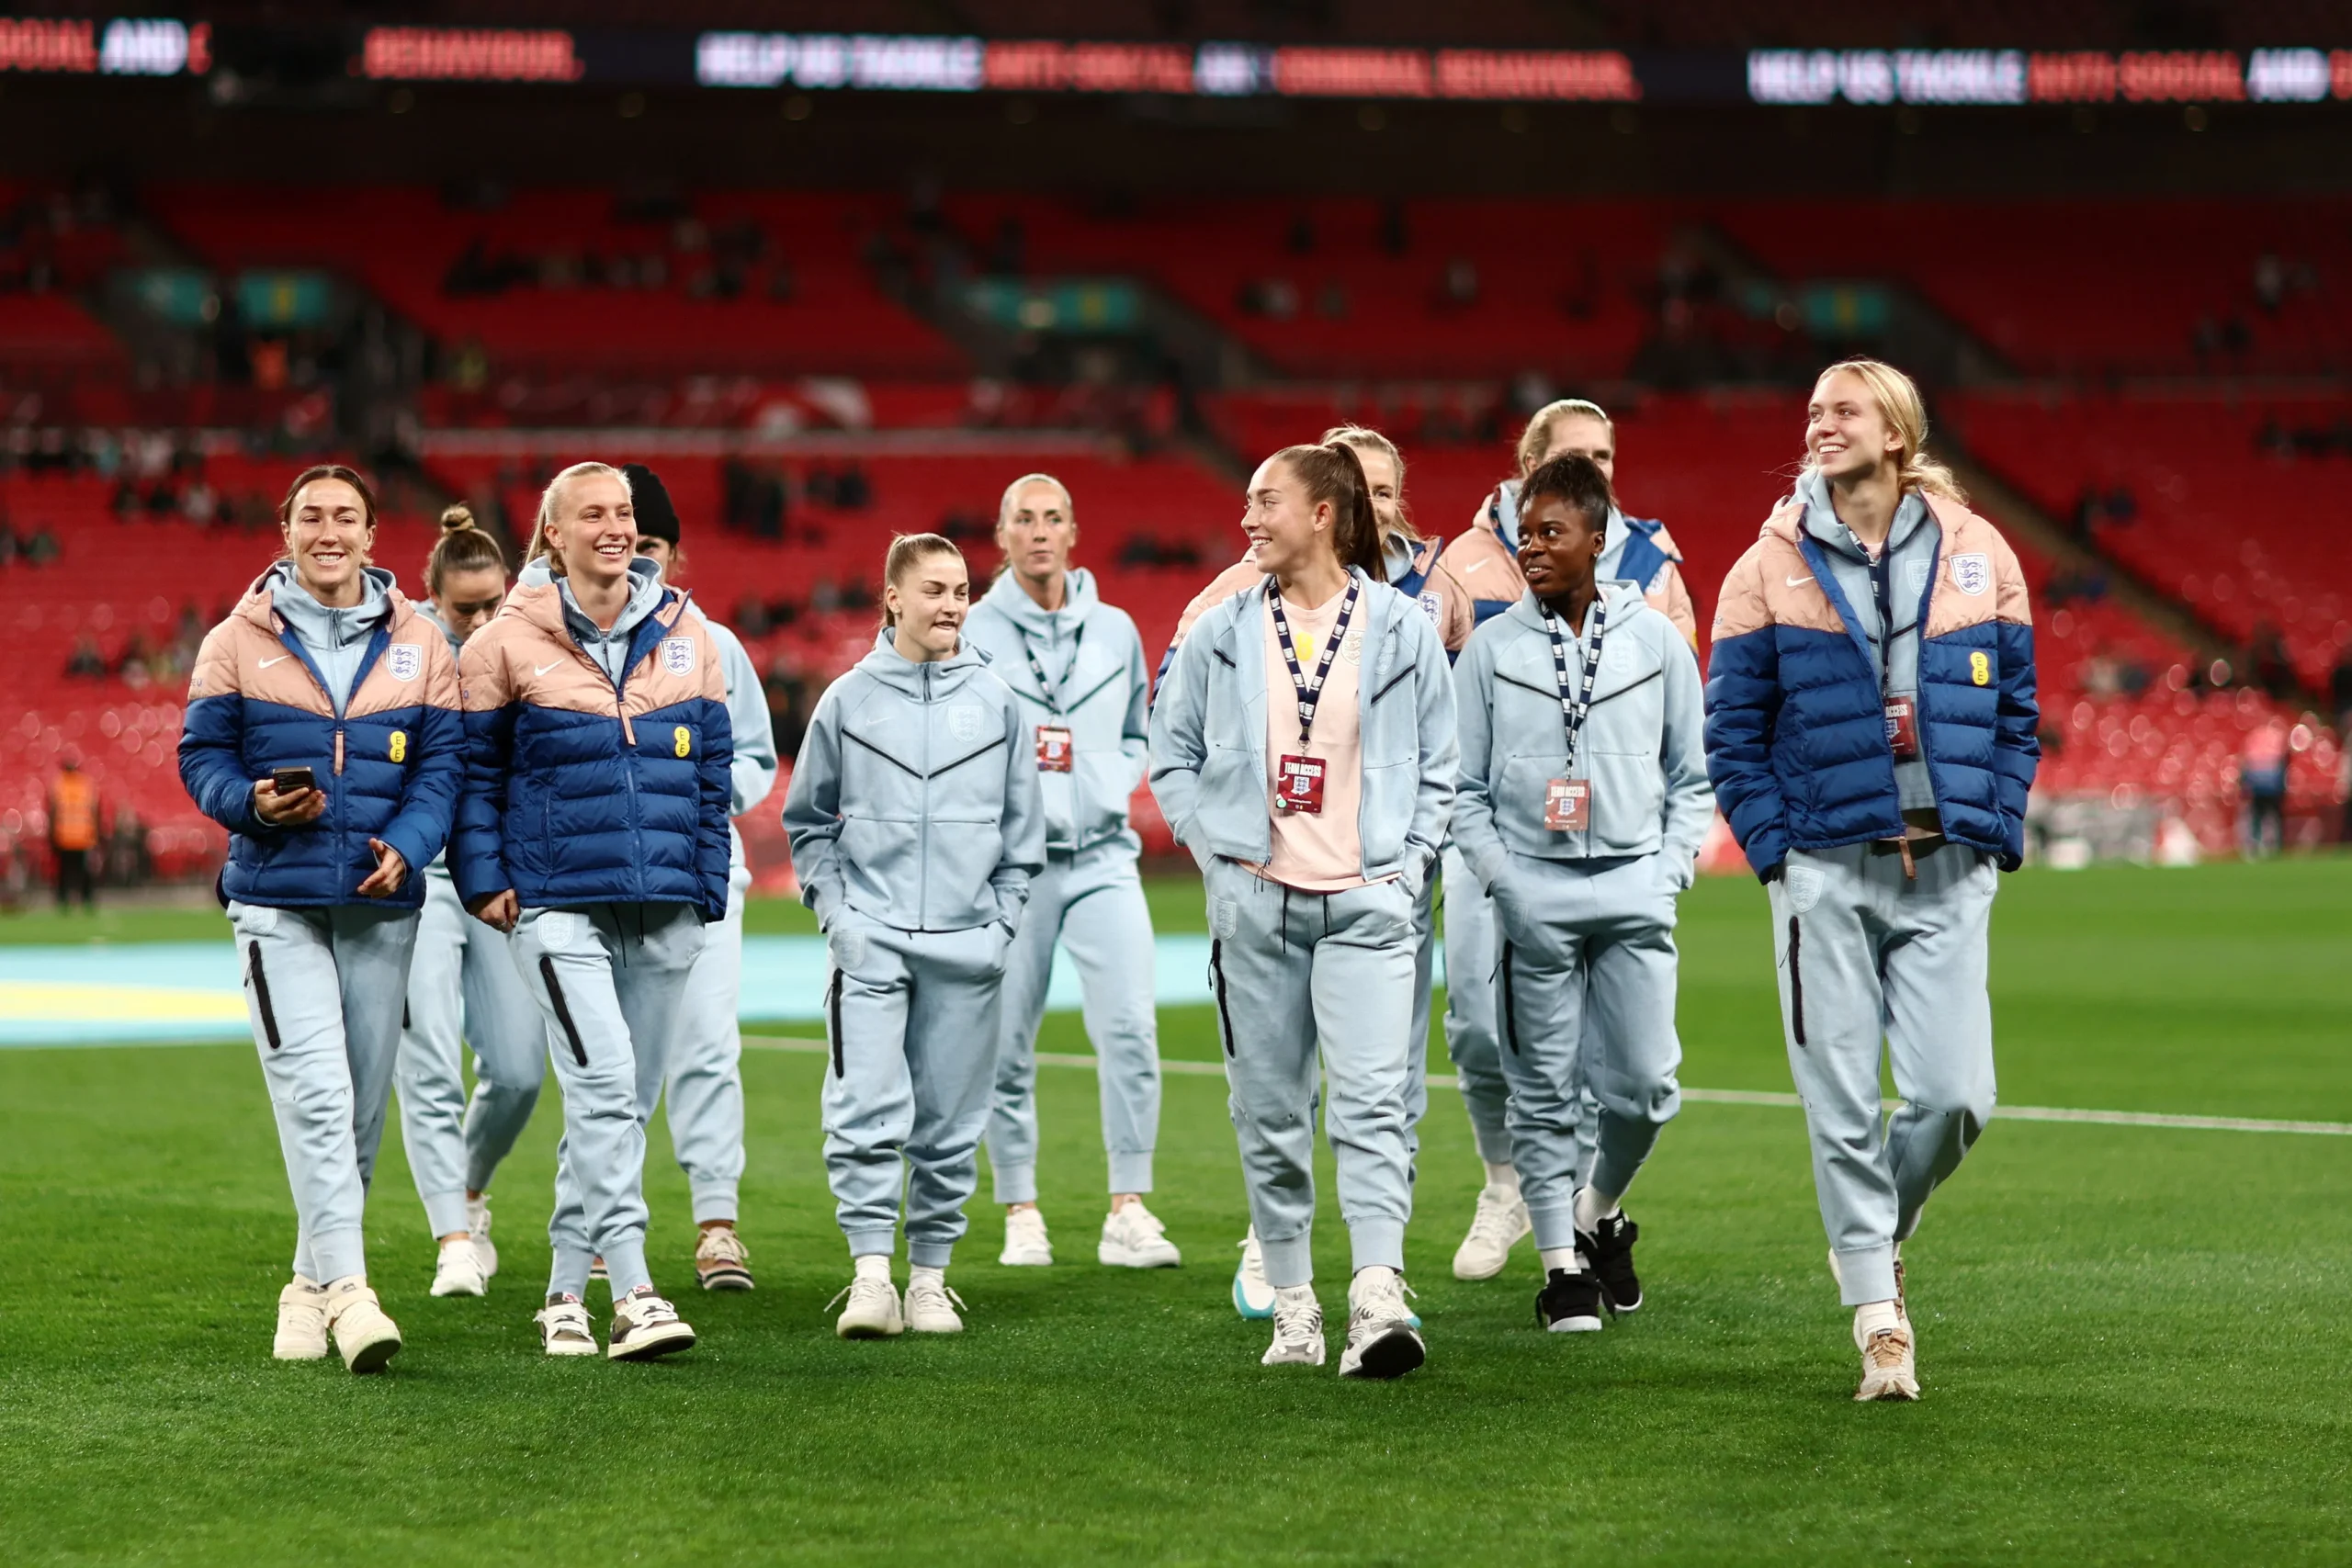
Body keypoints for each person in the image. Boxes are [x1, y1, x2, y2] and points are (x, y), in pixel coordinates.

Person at [1704, 358, 2038, 1401]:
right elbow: (1731, 734)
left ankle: (1874, 1234)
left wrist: (1998, 826)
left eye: (1841, 411)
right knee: (1839, 1103)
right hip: (1825, 871)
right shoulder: (1765, 565)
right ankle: (1877, 1314)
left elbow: (2020, 710)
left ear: (1896, 431)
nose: (1818, 426)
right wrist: (1776, 856)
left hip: (1947, 865)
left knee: (1954, 1098)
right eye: (1809, 412)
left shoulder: (1981, 552)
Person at [1149, 441, 1456, 1379]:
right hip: (1258, 906)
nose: (1248, 517)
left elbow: (1444, 767)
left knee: (1370, 1107)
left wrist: (1405, 869)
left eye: (1265, 500)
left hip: (1367, 903)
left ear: (1322, 514)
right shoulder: (1220, 629)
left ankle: (1374, 1295)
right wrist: (1221, 862)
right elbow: (1171, 757)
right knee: (1268, 1113)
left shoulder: (1401, 629)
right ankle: (1293, 1304)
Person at [178, 464, 463, 1373]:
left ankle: (307, 1286)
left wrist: (411, 846)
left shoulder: (422, 641)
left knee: (359, 1115)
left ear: (374, 534)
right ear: (288, 529)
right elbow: (201, 759)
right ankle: (353, 1294)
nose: (329, 530)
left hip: (382, 901)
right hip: (276, 899)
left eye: (346, 516)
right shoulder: (236, 638)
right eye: (313, 516)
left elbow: (443, 769)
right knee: (318, 1095)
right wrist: (255, 805)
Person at [453, 461, 732, 1361]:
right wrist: (486, 878)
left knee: (615, 1107)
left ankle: (563, 1294)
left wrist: (708, 888)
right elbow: (476, 776)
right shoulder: (502, 641)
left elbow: (712, 771)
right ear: (553, 537)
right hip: (557, 903)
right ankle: (637, 1294)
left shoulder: (690, 633)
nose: (614, 526)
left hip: (663, 908)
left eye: (624, 513)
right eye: (593, 515)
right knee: (608, 1086)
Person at [1435, 397, 1698, 1285]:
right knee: (1479, 1031)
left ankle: (1586, 1210)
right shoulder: (1464, 563)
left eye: (1608, 454)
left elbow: (1680, 712)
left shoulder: (1655, 566)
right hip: (1500, 845)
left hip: (1618, 853)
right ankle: (1506, 1184)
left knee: (1614, 1063)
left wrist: (1665, 865)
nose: (1602, 466)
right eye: (1580, 452)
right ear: (1528, 464)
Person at [785, 534, 1046, 1338]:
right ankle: (871, 1276)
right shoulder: (847, 699)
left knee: (952, 1122)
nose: (952, 605)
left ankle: (929, 1277)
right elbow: (806, 824)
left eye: (962, 590)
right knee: (863, 1110)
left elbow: (1022, 833)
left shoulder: (1000, 701)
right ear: (893, 597)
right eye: (934, 590)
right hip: (872, 942)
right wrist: (843, 920)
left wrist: (1001, 922)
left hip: (970, 944)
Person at [962, 474, 1175, 1270]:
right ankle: (1021, 1206)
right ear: (1003, 534)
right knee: (1006, 1042)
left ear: (1074, 531)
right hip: (1015, 868)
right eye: (1025, 518)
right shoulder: (975, 628)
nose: (1041, 531)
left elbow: (1138, 724)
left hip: (1104, 856)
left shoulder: (1116, 629)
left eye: (1054, 517)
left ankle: (1129, 1206)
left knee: (1129, 1028)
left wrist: (1111, 778)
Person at [625, 462, 781, 1292]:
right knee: (611, 1063)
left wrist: (705, 788)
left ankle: (717, 1224)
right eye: (623, 538)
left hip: (703, 870)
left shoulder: (714, 644)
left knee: (710, 1048)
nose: (635, 555)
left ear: (675, 555)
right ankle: (606, 1226)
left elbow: (756, 758)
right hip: (599, 876)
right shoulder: (554, 638)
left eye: (650, 542)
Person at [392, 505, 546, 1300]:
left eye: (494, 604)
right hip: (418, 881)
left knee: (520, 1069)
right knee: (429, 1061)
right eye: (464, 609)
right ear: (430, 600)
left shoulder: (526, 652)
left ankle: (471, 1190)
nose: (482, 620)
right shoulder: (400, 655)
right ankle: (452, 1235)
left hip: (492, 878)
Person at [47, 754, 100, 909]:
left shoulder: (59, 785)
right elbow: (94, 811)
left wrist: (51, 834)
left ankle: (64, 899)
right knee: (82, 871)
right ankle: (86, 898)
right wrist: (95, 833)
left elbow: (54, 812)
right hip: (82, 836)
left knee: (65, 871)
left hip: (65, 836)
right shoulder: (86, 785)